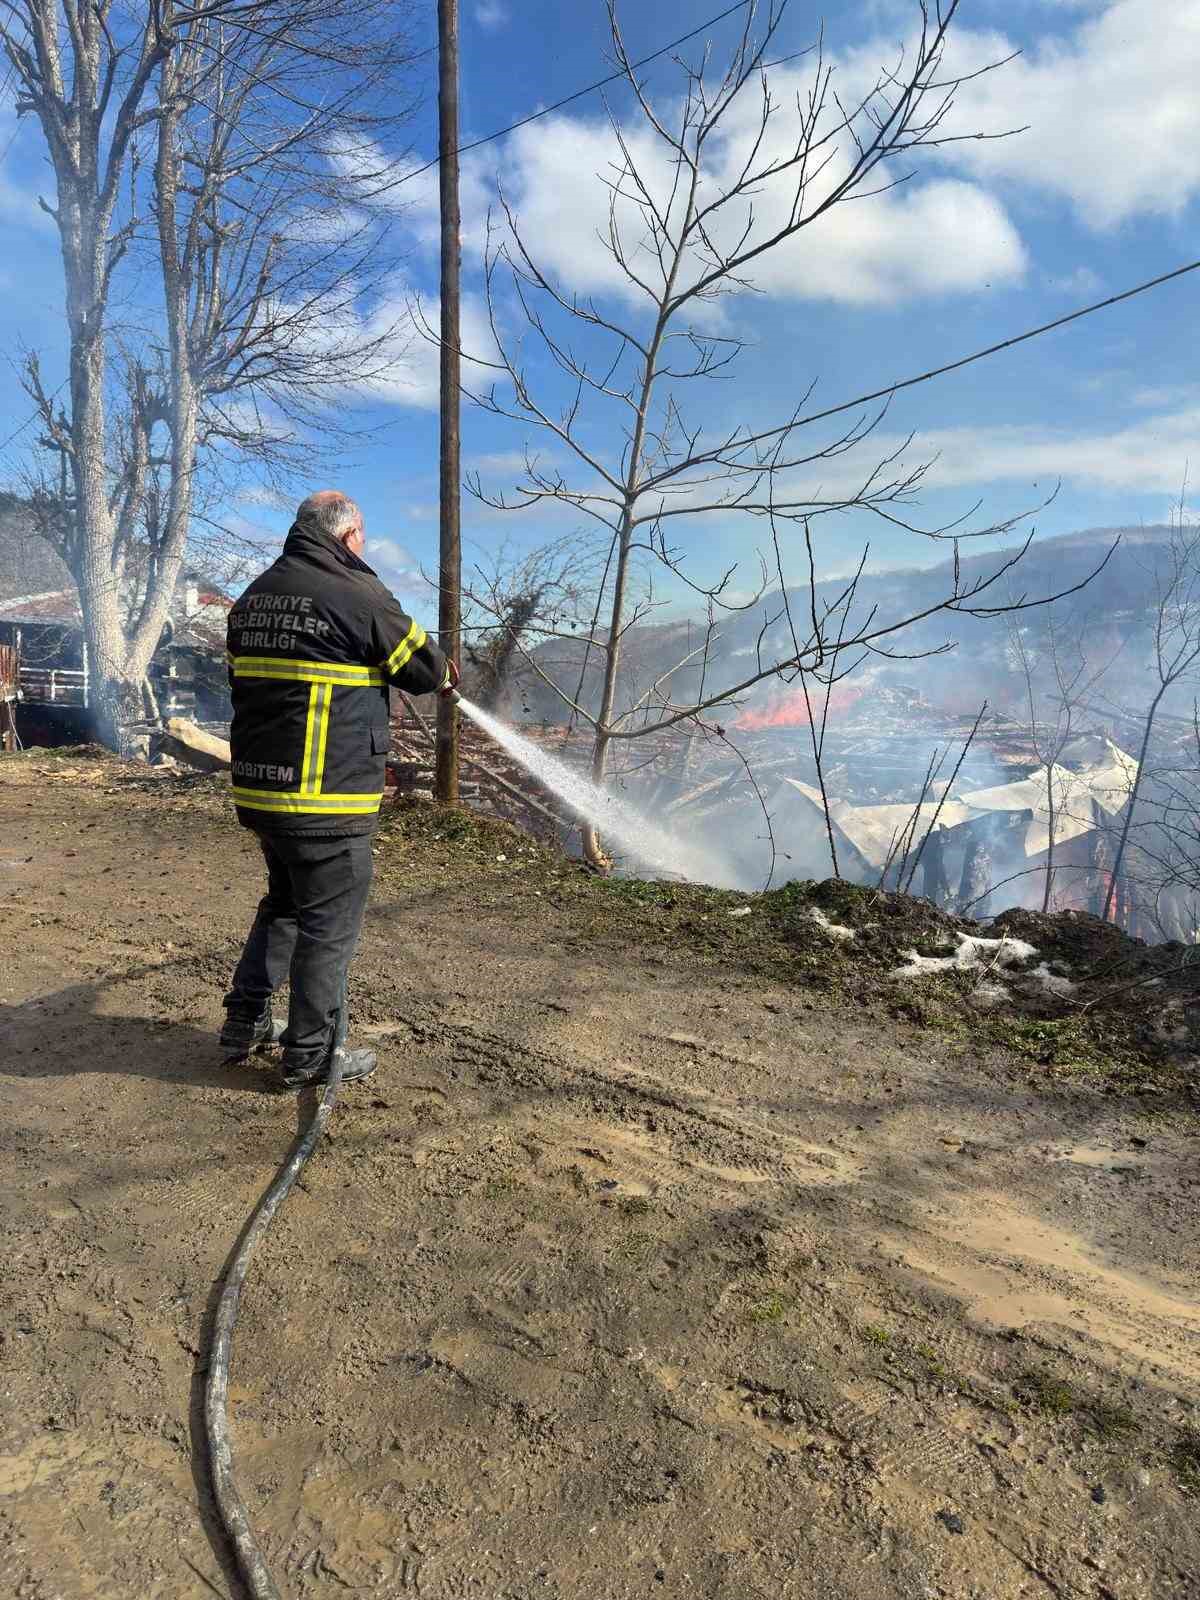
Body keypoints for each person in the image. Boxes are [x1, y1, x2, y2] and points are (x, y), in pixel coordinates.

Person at [220, 490, 457, 1089]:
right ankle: (311, 1054)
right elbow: (426, 671)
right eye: (364, 539)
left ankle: (244, 1021)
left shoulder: (252, 599)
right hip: (326, 799)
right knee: (328, 925)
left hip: (262, 794)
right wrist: (448, 668)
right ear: (349, 536)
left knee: (285, 906)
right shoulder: (356, 593)